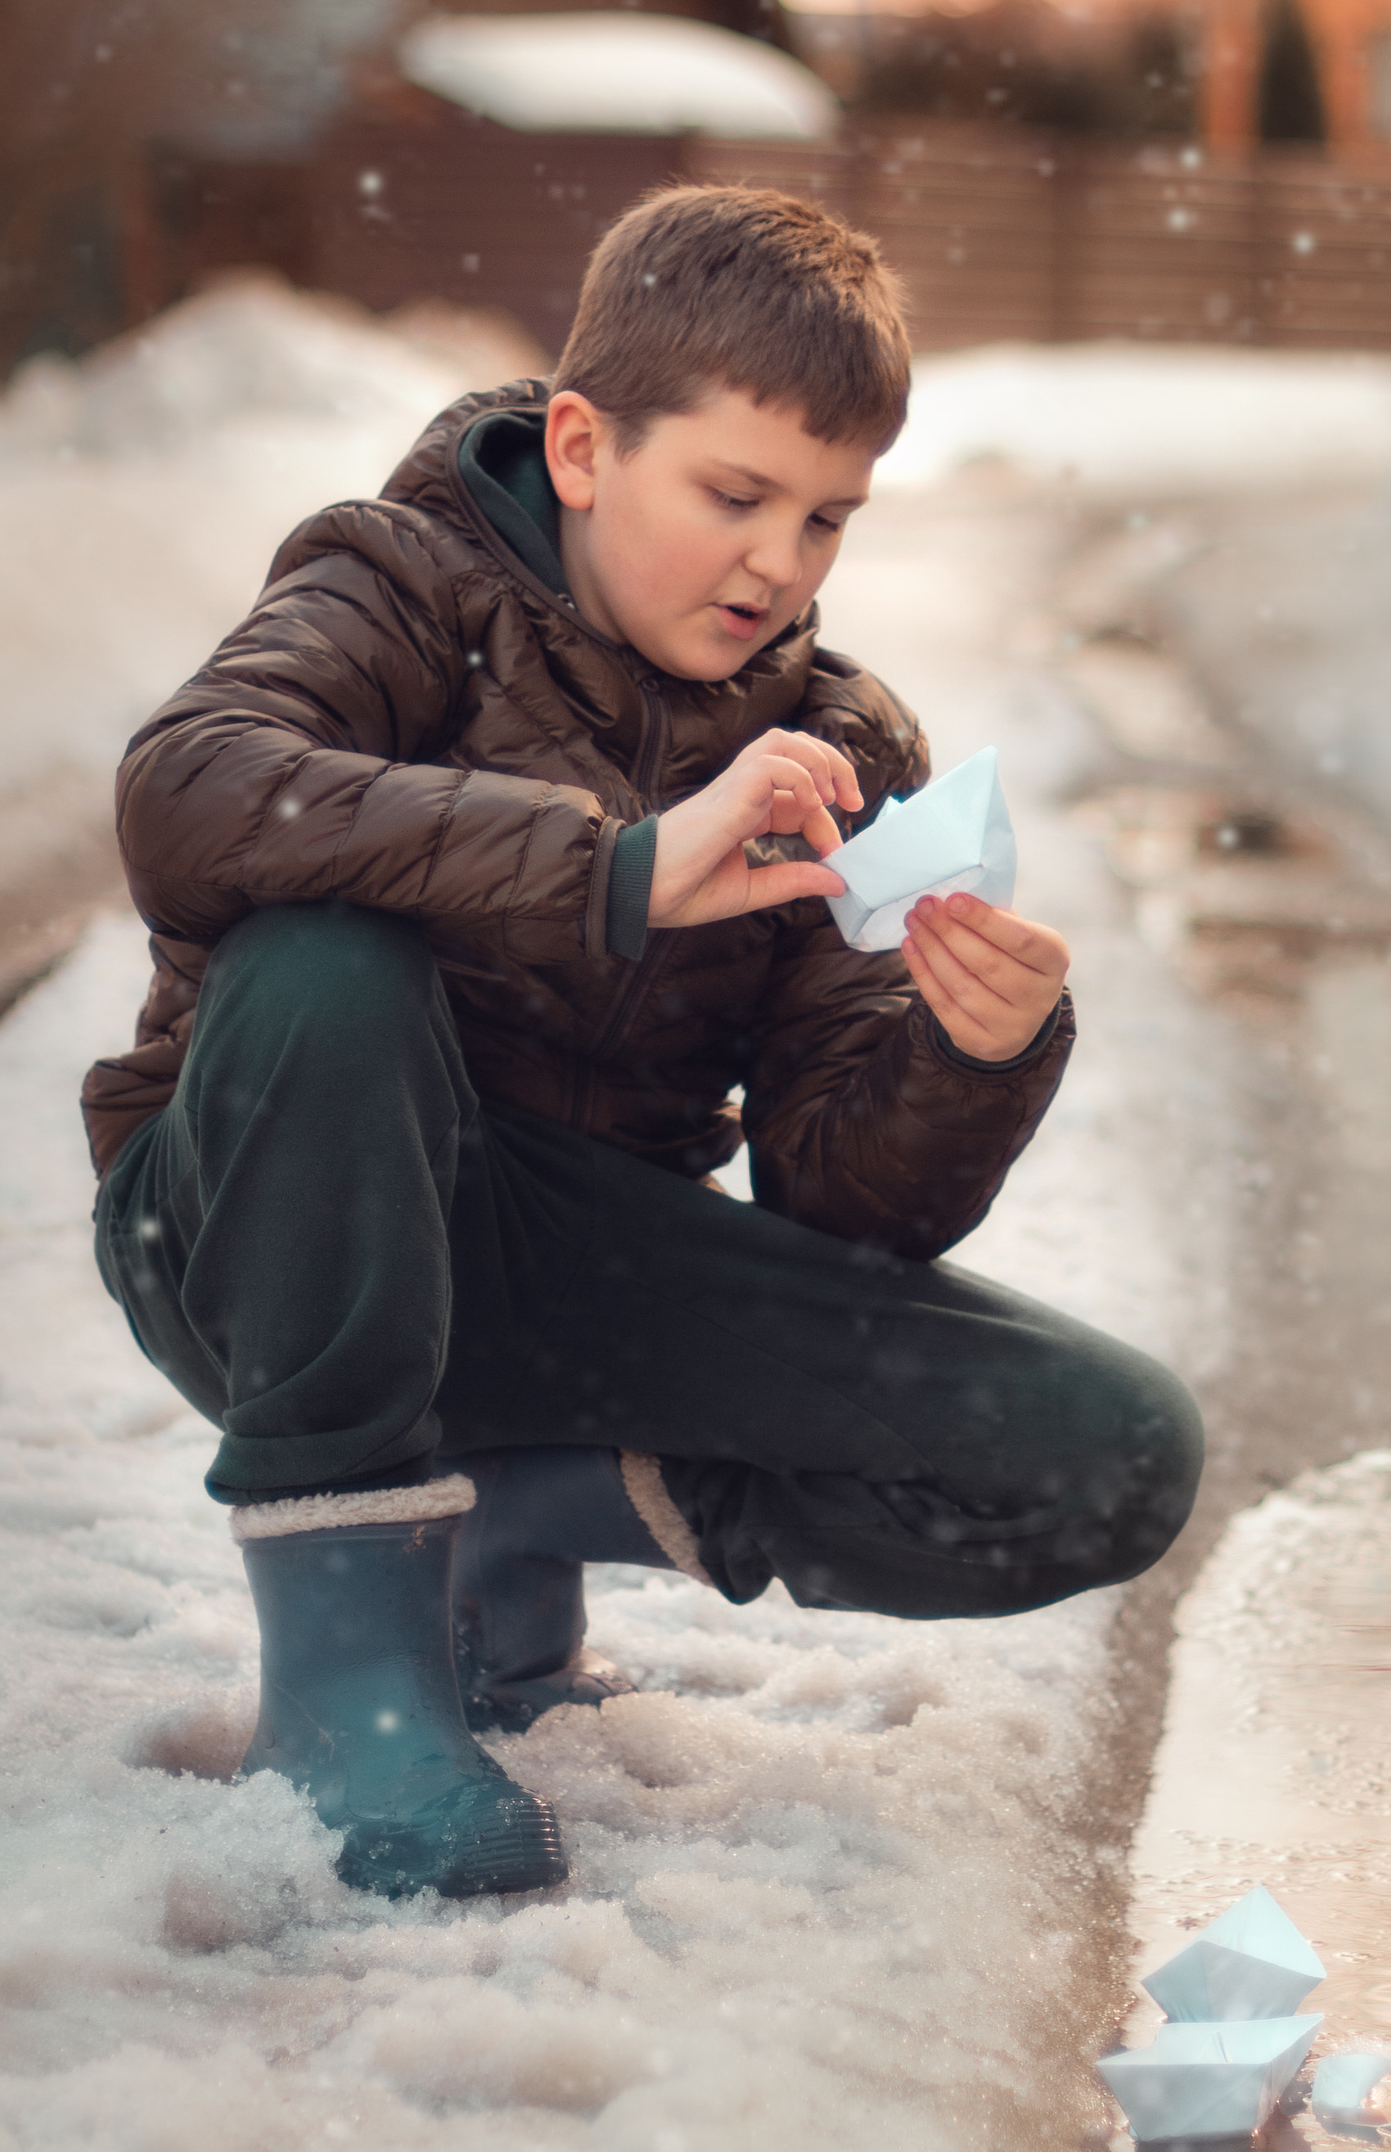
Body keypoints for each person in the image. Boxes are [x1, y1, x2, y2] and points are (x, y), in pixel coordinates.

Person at [83, 184, 1204, 1905]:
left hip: (576, 1270)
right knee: (325, 965)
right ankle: (348, 1686)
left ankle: (518, 1508)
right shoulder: (396, 583)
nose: (780, 563)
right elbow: (188, 791)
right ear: (588, 445)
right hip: (259, 1226)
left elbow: (843, 1209)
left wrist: (972, 1060)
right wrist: (616, 870)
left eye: (829, 519)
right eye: (736, 496)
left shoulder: (838, 740)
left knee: (1112, 1454)